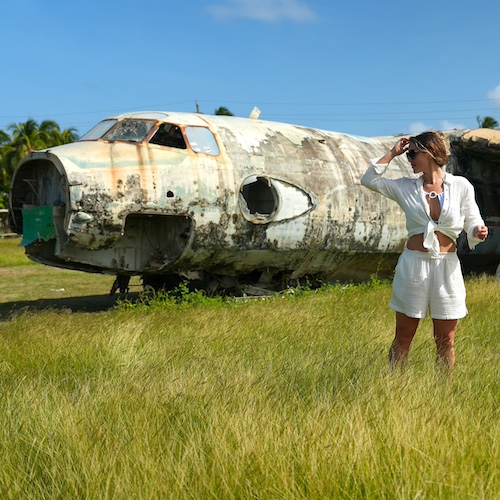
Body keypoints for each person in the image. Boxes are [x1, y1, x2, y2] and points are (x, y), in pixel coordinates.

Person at [361, 131, 488, 371]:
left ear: (429, 153)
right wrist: (393, 153)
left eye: (412, 154)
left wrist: (477, 231)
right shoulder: (405, 186)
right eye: (407, 154)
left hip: (447, 267)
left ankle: (444, 393)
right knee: (404, 337)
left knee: (446, 340)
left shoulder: (461, 185)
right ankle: (395, 388)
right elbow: (369, 180)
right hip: (414, 265)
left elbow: (473, 221)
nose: (408, 159)